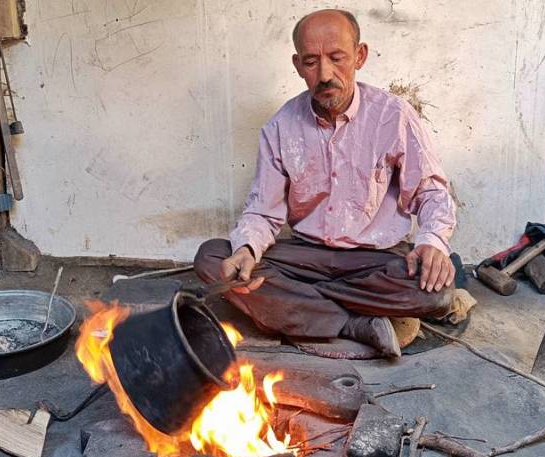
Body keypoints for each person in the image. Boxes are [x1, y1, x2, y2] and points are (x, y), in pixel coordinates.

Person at [194, 8, 457, 357]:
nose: (325, 74)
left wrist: (433, 241)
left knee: (436, 291)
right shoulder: (281, 127)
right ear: (297, 65)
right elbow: (263, 212)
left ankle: (301, 310)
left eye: (337, 58)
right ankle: (353, 324)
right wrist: (247, 250)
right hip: (305, 257)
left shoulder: (393, 116)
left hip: (374, 260)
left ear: (360, 56)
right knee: (213, 257)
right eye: (311, 61)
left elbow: (431, 191)